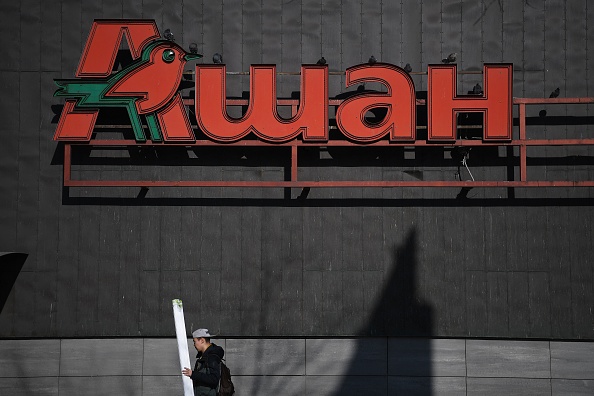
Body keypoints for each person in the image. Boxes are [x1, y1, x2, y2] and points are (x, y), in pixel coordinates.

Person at [182, 328, 225, 396]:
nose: (194, 345)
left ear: (202, 340)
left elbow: (214, 379)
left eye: (195, 341)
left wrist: (193, 374)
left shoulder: (212, 357)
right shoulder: (204, 357)